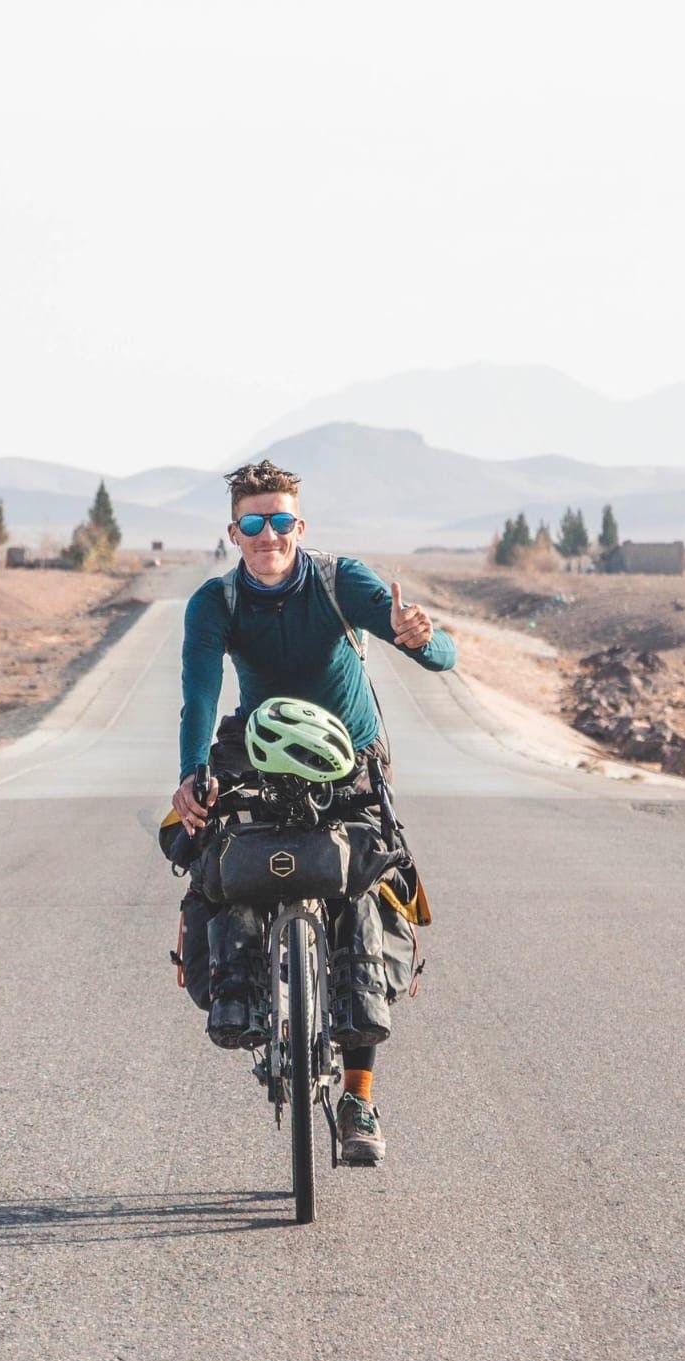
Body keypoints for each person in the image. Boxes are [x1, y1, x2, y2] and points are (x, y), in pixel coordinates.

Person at [171, 458, 458, 1163]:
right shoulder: (218, 603)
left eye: (279, 521)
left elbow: (440, 658)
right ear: (234, 532)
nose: (267, 534)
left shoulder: (341, 582)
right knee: (212, 857)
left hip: (351, 754)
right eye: (252, 523)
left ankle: (358, 1099)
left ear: (300, 526)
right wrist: (192, 773)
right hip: (260, 745)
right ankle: (242, 994)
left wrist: (421, 640)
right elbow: (200, 691)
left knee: (366, 891)